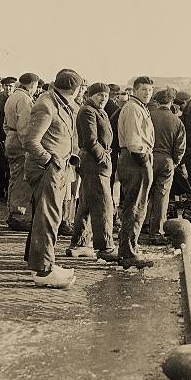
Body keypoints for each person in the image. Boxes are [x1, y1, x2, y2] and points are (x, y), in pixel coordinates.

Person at [23, 69, 82, 288]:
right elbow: (31, 141)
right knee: (48, 219)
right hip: (47, 169)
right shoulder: (47, 105)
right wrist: (50, 161)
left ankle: (37, 261)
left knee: (43, 217)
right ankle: (44, 269)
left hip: (57, 167)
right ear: (74, 90)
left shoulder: (61, 103)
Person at [66, 82, 118, 262]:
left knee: (87, 202)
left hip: (93, 160)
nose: (103, 98)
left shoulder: (97, 110)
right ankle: (105, 247)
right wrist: (103, 157)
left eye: (105, 95)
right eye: (99, 95)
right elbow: (90, 140)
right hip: (94, 161)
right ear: (90, 95)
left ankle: (79, 243)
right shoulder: (88, 111)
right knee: (103, 203)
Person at [116, 76, 156, 269]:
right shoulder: (133, 108)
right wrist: (144, 160)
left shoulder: (139, 107)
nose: (147, 93)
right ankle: (128, 253)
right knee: (135, 206)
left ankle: (129, 247)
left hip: (136, 158)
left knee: (136, 205)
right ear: (135, 90)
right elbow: (134, 141)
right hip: (136, 158)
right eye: (143, 90)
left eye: (150, 90)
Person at [145, 89, 186, 241]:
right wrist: (174, 162)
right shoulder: (177, 121)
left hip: (147, 158)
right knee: (161, 196)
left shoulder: (148, 116)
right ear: (171, 102)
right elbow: (180, 147)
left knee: (144, 194)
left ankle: (140, 227)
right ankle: (157, 232)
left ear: (157, 101)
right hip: (166, 160)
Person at [2, 72, 39, 230]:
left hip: (11, 137)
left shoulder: (13, 97)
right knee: (22, 179)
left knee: (14, 177)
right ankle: (18, 215)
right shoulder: (24, 99)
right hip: (19, 141)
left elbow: (5, 123)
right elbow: (24, 126)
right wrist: (28, 146)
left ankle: (12, 213)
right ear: (32, 85)